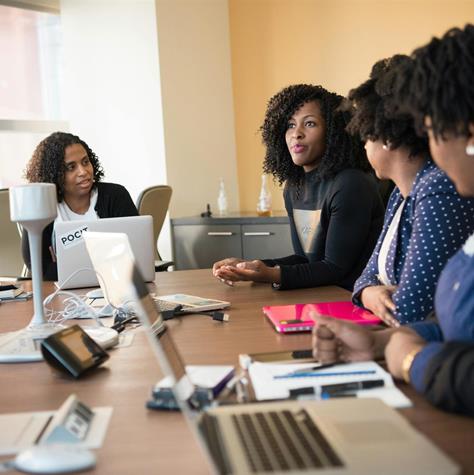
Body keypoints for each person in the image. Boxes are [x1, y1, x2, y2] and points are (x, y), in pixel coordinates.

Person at [312, 25, 474, 417]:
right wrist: (386, 343)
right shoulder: (404, 194)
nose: (430, 142)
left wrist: (408, 357)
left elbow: (417, 306)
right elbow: (451, 325)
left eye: (432, 127)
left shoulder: (437, 187)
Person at [213, 84, 384, 290]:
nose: (297, 134)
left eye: (310, 123)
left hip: (352, 300)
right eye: (290, 125)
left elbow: (336, 268)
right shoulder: (293, 187)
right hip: (319, 297)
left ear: (332, 131)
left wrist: (270, 274)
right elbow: (305, 260)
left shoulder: (350, 184)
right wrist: (249, 267)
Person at [346, 55, 474, 326]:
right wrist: (371, 294)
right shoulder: (399, 194)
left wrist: (379, 298)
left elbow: (410, 311)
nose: (364, 147)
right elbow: (366, 276)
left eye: (367, 136)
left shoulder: (437, 188)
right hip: (401, 341)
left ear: (389, 137)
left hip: (419, 346)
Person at [22, 132, 138, 280]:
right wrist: (104, 262)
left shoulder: (115, 196)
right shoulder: (41, 207)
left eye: (85, 162)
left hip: (117, 286)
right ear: (53, 174)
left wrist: (64, 265)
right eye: (71, 167)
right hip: (62, 296)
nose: (83, 172)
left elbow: (134, 254)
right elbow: (40, 269)